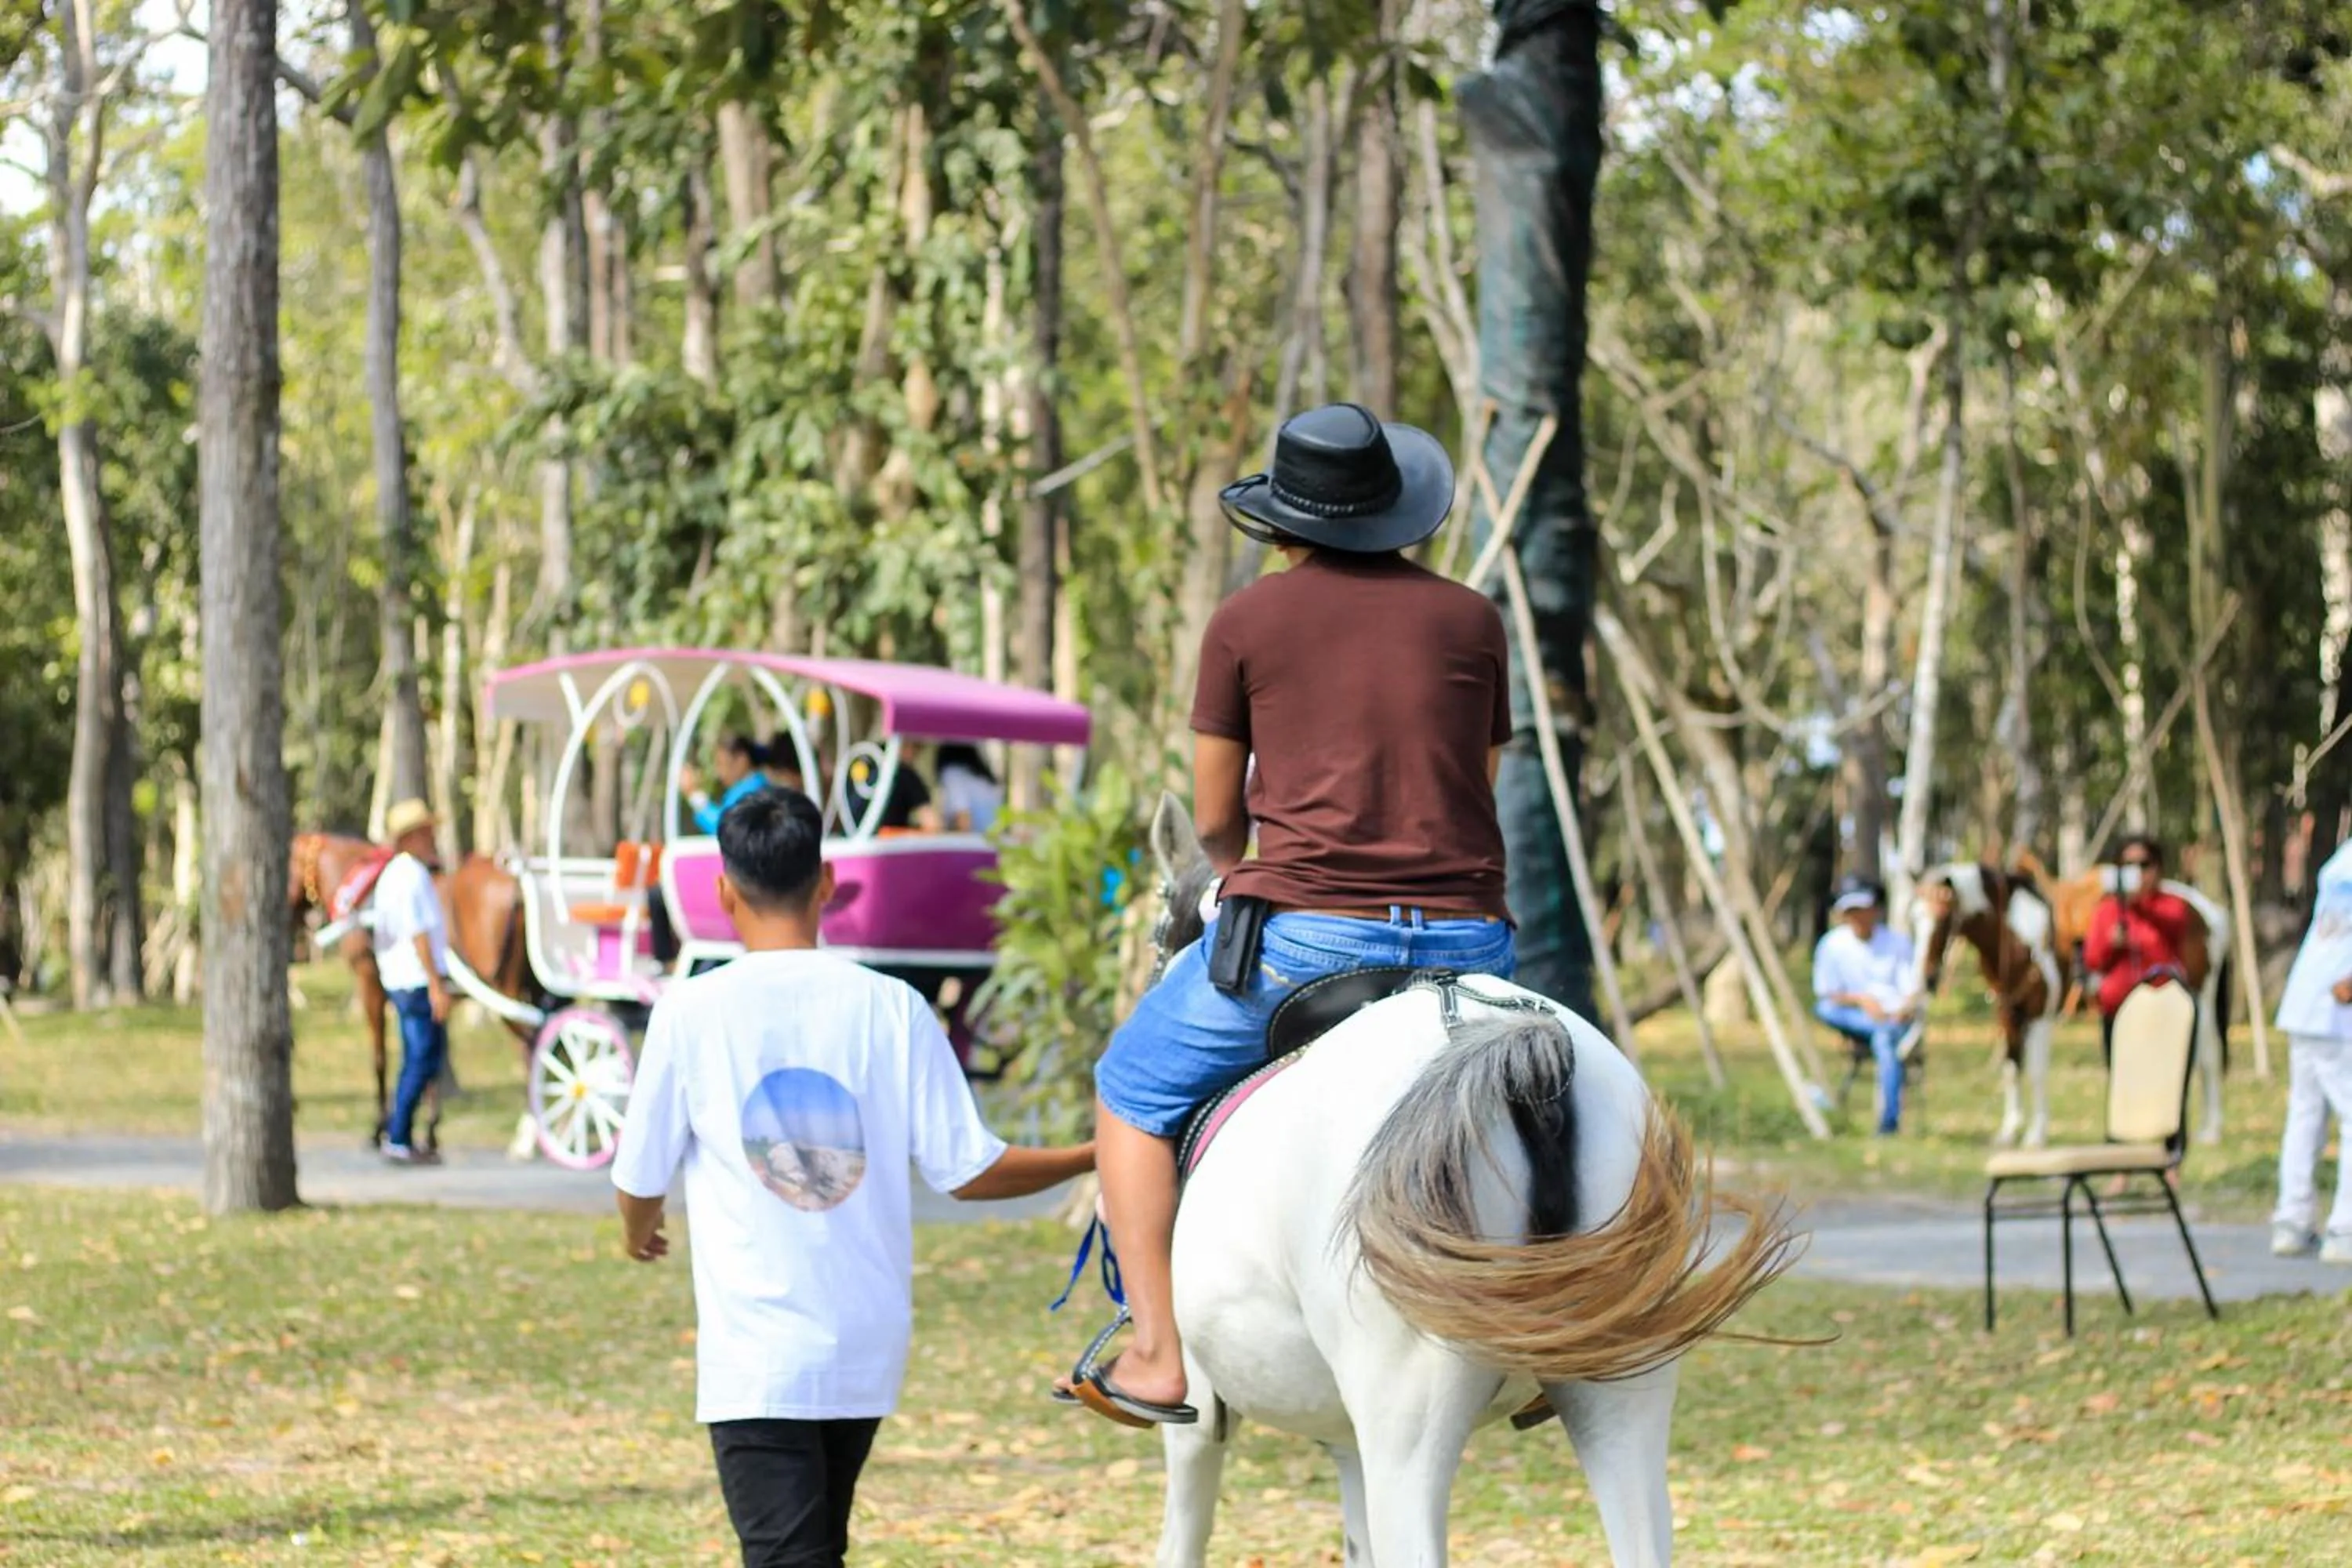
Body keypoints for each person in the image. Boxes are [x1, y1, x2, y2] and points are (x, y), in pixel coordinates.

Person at [1058, 401, 1516, 1429]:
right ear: (1395, 508)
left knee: (1129, 1088)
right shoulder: (1472, 619)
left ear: (1283, 522)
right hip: (1470, 942)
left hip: (1311, 942)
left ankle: (1157, 1354)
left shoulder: (1246, 622)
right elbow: (1473, 788)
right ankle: (1558, 1338)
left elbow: (1217, 818)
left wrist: (1236, 872)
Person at [612, 789, 1094, 1567]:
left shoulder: (690, 1011)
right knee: (814, 1546)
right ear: (828, 882)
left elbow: (639, 1177)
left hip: (758, 1358)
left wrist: (640, 1233)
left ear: (724, 892)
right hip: (863, 1346)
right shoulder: (894, 1008)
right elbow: (971, 1170)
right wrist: (1093, 1151)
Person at [2270, 837, 2352, 1265]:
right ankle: (2345, 1229)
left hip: (2307, 1000)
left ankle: (2293, 1220)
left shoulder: (2344, 858)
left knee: (2305, 1115)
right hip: (2338, 1006)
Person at [1810, 874, 1922, 1137]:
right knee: (1825, 1009)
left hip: (1893, 1018)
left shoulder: (1897, 943)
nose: (1857, 917)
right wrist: (1862, 1001)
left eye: (1862, 909)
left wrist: (1901, 1011)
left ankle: (1888, 1124)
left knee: (1884, 1039)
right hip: (1849, 1014)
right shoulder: (1832, 944)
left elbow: (1911, 991)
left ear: (1875, 910)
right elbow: (1826, 992)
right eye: (1851, 911)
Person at [374, 797, 452, 1166]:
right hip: (414, 979)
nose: (432, 837)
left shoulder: (399, 873)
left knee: (418, 1058)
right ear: (410, 838)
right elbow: (418, 933)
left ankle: (402, 1133)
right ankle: (399, 1135)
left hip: (405, 977)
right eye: (425, 832)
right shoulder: (410, 876)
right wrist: (435, 983)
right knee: (421, 1059)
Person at [2083, 833, 2196, 1065]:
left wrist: (2140, 906)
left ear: (2158, 868)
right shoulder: (2106, 910)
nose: (2137, 872)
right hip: (2118, 1011)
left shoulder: (2172, 905)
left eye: (2145, 865)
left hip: (2164, 1012)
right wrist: (2111, 943)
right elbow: (2092, 960)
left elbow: (2176, 926)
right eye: (2128, 866)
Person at [682, 734, 771, 835]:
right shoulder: (752, 787)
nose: (718, 772)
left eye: (721, 764)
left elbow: (725, 829)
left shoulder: (750, 792)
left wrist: (693, 794)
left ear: (741, 760)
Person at [935, 743, 1004, 834]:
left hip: (976, 838)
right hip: (995, 837)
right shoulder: (984, 778)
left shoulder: (953, 773)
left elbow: (963, 817)